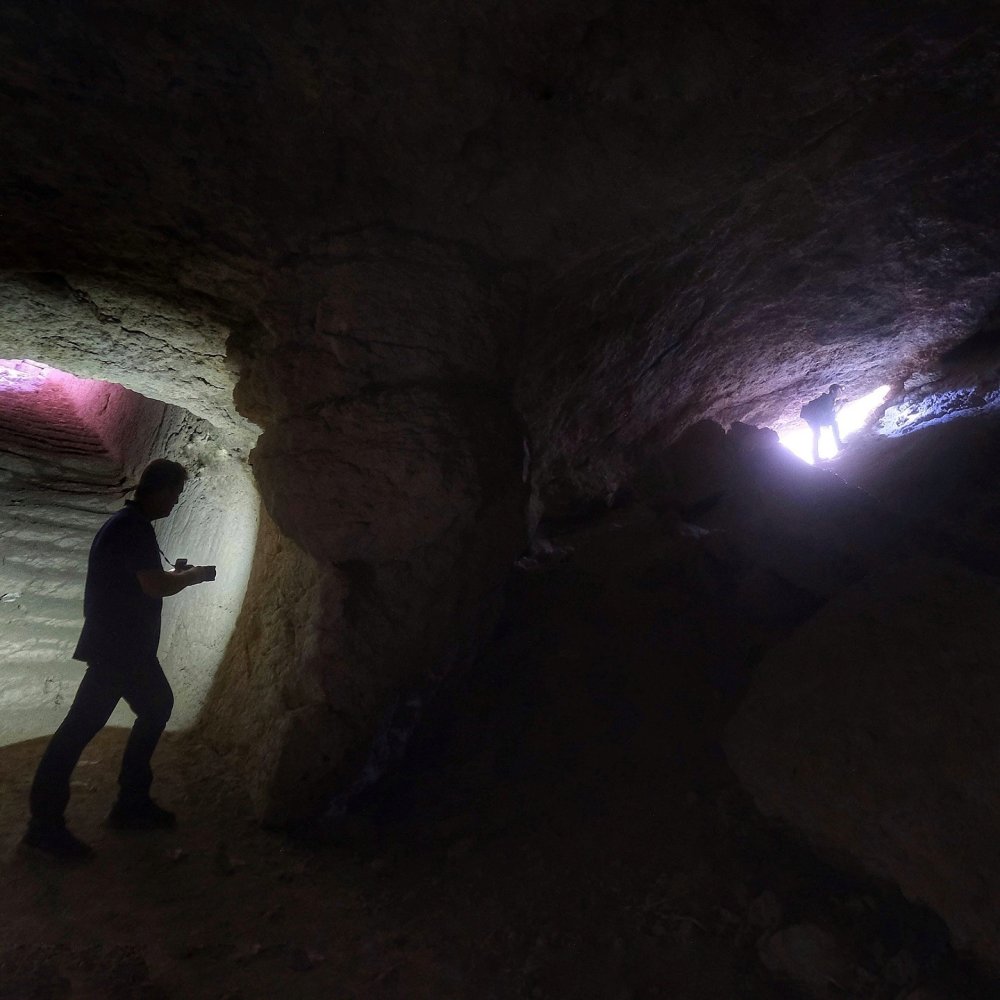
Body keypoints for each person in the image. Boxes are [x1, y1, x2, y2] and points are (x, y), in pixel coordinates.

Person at [23, 459, 217, 860]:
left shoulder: (129, 525)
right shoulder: (132, 529)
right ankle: (44, 827)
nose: (176, 502)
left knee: (157, 705)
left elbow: (140, 578)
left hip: (126, 648)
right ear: (161, 491)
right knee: (78, 730)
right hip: (119, 650)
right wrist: (192, 576)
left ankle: (131, 801)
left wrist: (174, 574)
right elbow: (153, 586)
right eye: (176, 494)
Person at [800, 383, 844, 464]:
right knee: (817, 434)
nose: (840, 392)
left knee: (834, 423)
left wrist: (840, 407)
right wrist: (837, 405)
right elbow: (828, 412)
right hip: (812, 417)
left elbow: (831, 416)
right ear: (833, 391)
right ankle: (816, 458)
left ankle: (839, 445)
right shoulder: (827, 398)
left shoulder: (831, 399)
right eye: (839, 390)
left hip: (817, 417)